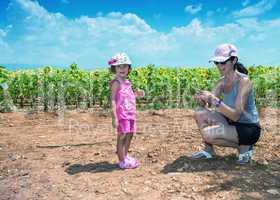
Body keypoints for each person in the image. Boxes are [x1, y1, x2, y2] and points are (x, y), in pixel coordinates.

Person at [192, 43, 261, 164]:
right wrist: (202, 100)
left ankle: (244, 146)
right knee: (199, 112)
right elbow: (207, 106)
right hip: (230, 122)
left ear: (233, 60)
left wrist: (214, 100)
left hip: (248, 128)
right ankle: (209, 151)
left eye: (222, 62)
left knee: (208, 134)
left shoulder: (244, 81)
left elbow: (236, 115)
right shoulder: (221, 82)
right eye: (216, 63)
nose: (219, 66)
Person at [108, 52, 145, 169]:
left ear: (129, 68)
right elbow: (113, 99)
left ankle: (125, 155)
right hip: (122, 115)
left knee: (130, 134)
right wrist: (114, 117)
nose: (122, 69)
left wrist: (137, 94)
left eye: (124, 66)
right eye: (119, 66)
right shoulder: (116, 83)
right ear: (114, 69)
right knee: (122, 135)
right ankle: (122, 161)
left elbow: (128, 96)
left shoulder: (128, 83)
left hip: (130, 114)